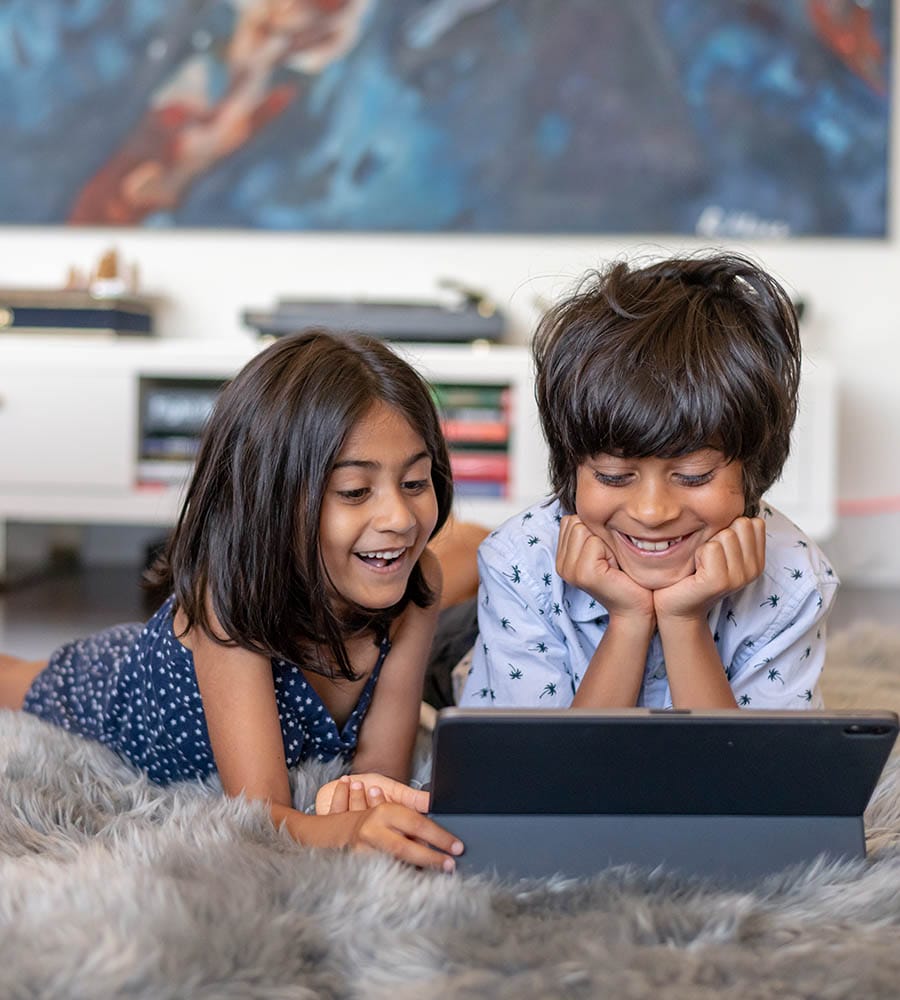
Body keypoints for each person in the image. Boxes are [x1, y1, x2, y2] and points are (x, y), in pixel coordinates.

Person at [0, 330, 464, 871]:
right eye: (355, 492)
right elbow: (259, 813)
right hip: (115, 684)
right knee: (15, 679)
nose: (400, 519)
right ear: (270, 497)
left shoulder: (417, 587)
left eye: (414, 481)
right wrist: (344, 831)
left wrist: (372, 810)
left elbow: (379, 770)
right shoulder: (228, 601)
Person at [460, 251, 839, 712]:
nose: (652, 512)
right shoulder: (518, 560)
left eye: (693, 475)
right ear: (572, 467)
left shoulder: (794, 578)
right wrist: (628, 617)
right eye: (613, 476)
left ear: (751, 468)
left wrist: (684, 619)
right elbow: (556, 775)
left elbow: (744, 777)